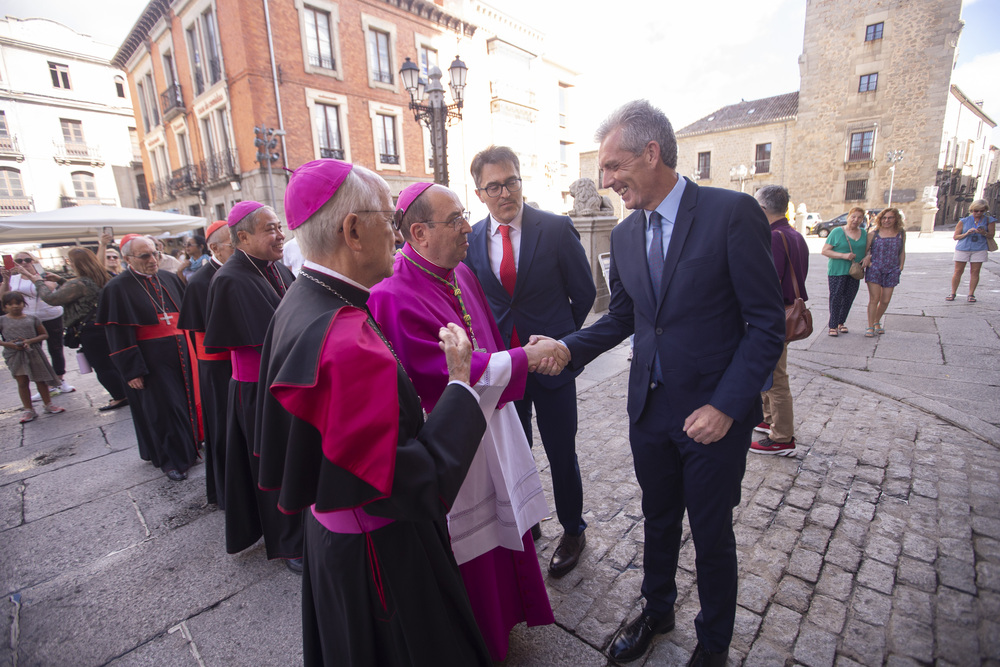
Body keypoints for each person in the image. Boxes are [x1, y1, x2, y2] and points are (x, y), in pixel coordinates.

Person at [552, 100, 785, 666]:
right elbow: (625, 318)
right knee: (657, 521)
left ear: (651, 152)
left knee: (710, 536)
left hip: (713, 419)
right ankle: (658, 610)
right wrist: (565, 347)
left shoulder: (732, 214)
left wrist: (728, 407)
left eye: (612, 167)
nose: (606, 182)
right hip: (649, 414)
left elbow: (765, 323)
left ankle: (713, 645)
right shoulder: (626, 236)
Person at [254, 159, 493, 666]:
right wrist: (458, 383)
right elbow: (419, 483)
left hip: (336, 543)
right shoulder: (346, 342)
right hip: (381, 557)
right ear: (354, 230)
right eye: (390, 219)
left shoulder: (301, 299)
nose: (400, 234)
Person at [369, 182, 557, 660]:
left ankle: (511, 613)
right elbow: (438, 374)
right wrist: (525, 359)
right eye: (455, 219)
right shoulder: (391, 295)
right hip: (453, 436)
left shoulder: (461, 273)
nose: (467, 227)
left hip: (491, 420)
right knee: (473, 539)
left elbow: (486, 344)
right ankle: (482, 638)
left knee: (504, 525)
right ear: (419, 231)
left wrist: (514, 357)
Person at [463, 145, 597, 576]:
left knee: (561, 451)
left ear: (522, 181)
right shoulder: (472, 242)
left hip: (553, 367)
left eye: (512, 181)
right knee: (514, 451)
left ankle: (573, 529)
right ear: (480, 192)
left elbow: (586, 293)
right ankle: (528, 522)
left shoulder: (556, 229)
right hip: (507, 369)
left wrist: (560, 344)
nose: (506, 193)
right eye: (495, 186)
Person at [204, 201, 303, 571]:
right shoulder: (231, 278)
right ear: (242, 237)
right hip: (257, 390)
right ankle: (289, 544)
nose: (280, 235)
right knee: (274, 465)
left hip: (284, 380)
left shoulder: (275, 268)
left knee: (294, 460)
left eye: (280, 227)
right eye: (270, 229)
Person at [96, 235, 199, 481]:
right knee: (162, 409)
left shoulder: (169, 278)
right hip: (150, 360)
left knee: (184, 402)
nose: (153, 260)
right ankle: (172, 460)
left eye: (156, 254)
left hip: (181, 353)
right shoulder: (116, 288)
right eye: (145, 256)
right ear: (127, 259)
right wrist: (131, 371)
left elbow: (186, 317)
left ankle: (190, 446)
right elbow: (117, 334)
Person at [22, 248, 128, 412]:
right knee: (112, 363)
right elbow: (86, 292)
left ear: (76, 263)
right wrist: (61, 280)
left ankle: (119, 396)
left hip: (90, 330)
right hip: (106, 326)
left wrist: (37, 281)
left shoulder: (79, 283)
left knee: (102, 366)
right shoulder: (102, 276)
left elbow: (52, 298)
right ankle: (124, 392)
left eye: (70, 261)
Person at [178, 221, 234, 506]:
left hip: (238, 364)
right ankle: (227, 493)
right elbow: (200, 333)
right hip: (218, 368)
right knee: (224, 429)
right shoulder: (200, 281)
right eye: (233, 245)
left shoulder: (240, 271)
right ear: (214, 248)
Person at [750, 185, 808, 457]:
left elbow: (765, 282)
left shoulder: (774, 238)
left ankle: (783, 436)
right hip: (784, 310)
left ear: (762, 209)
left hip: (774, 314)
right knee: (773, 371)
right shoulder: (794, 235)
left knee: (776, 377)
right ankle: (768, 418)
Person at [1, 251, 75, 395]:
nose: (24, 263)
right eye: (19, 261)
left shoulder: (43, 274)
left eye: (27, 260)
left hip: (50, 315)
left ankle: (60, 379)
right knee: (34, 351)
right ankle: (44, 384)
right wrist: (5, 280)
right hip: (28, 319)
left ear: (34, 261)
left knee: (56, 348)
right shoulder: (14, 278)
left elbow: (48, 288)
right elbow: (3, 297)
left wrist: (30, 274)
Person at [1, 291, 66, 423]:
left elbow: (44, 335)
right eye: (10, 304)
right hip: (14, 355)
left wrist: (29, 341)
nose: (15, 306)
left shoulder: (32, 318)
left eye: (18, 303)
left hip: (33, 353)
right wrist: (9, 344)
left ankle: (48, 404)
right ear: (4, 307)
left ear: (23, 304)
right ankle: (28, 409)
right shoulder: (2, 320)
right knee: (22, 382)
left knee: (40, 380)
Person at [821, 207, 868, 336]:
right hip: (837, 270)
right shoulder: (837, 232)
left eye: (859, 217)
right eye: (853, 216)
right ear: (848, 217)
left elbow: (869, 250)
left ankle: (841, 322)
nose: (856, 220)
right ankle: (833, 325)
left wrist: (867, 257)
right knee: (836, 297)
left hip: (854, 271)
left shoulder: (864, 233)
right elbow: (825, 251)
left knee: (849, 298)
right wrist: (844, 255)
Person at [862, 207, 905, 337]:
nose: (887, 220)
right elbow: (865, 251)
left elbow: (902, 250)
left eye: (890, 217)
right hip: (875, 268)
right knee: (874, 298)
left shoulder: (901, 233)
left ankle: (877, 320)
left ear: (896, 219)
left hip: (892, 269)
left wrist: (901, 266)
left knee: (885, 299)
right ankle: (870, 325)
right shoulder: (873, 234)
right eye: (884, 218)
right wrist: (869, 262)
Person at [947, 199, 995, 303]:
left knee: (975, 271)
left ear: (985, 210)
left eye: (981, 211)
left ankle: (971, 294)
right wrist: (966, 233)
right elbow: (955, 237)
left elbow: (991, 235)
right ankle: (953, 292)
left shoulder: (989, 220)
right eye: (976, 211)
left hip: (979, 248)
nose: (978, 213)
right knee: (958, 271)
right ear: (971, 210)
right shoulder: (964, 221)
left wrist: (984, 233)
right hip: (963, 248)